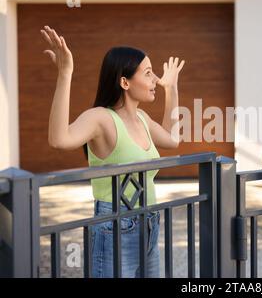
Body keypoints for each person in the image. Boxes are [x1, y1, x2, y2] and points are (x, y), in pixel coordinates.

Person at [41, 26, 184, 277]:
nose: (155, 80)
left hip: (149, 221)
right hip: (116, 224)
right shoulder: (101, 118)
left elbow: (173, 139)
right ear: (125, 81)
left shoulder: (142, 118)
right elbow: (58, 139)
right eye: (148, 73)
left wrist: (171, 89)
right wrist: (65, 74)